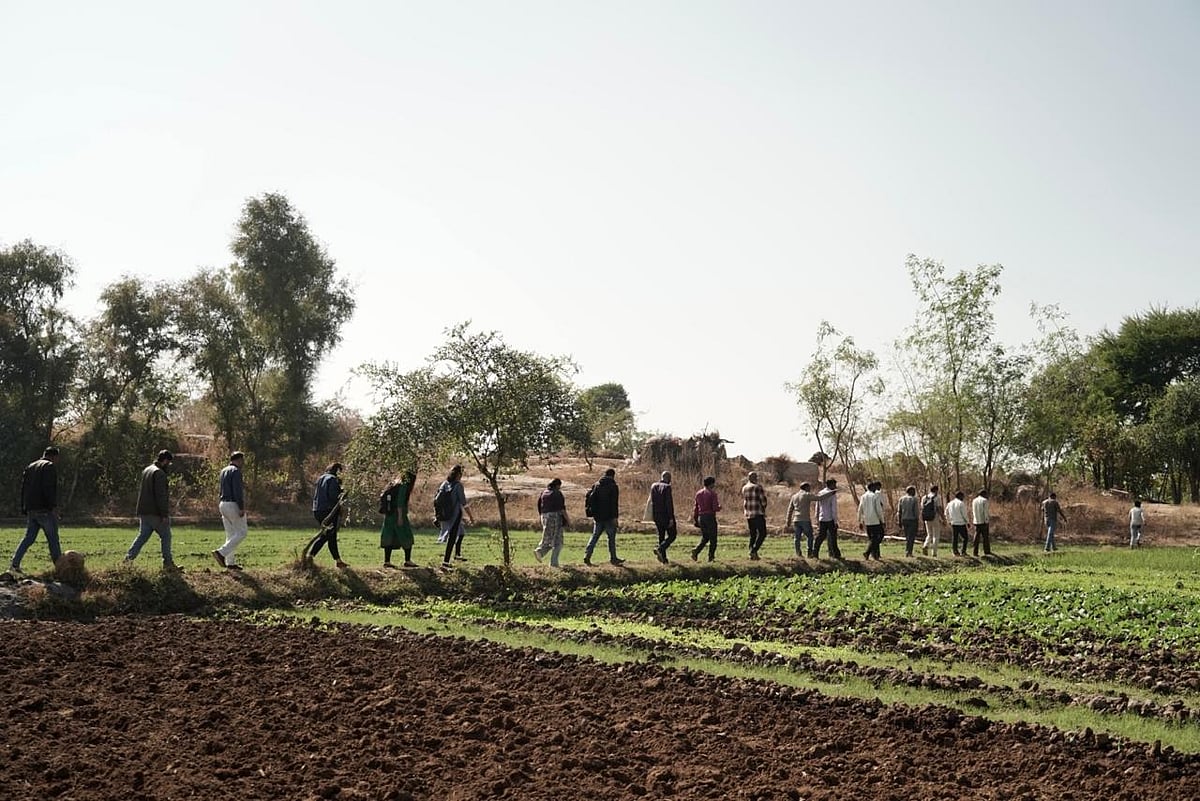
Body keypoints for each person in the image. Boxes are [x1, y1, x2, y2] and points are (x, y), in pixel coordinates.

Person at [9, 446, 63, 575]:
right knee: (53, 539)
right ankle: (60, 568)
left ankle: (14, 564)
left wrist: (25, 507)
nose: (57, 461)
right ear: (54, 456)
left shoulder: (31, 466)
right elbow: (48, 488)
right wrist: (53, 507)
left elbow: (23, 488)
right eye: (57, 458)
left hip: (31, 509)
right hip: (44, 509)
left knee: (28, 538)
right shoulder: (49, 466)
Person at [124, 449, 181, 572]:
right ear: (165, 461)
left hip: (144, 511)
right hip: (155, 512)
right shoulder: (159, 474)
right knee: (166, 536)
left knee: (142, 537)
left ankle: (127, 560)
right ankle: (168, 564)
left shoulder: (147, 470)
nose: (169, 465)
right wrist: (164, 514)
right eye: (169, 463)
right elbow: (161, 495)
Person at [307, 462, 347, 568]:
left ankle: (338, 561)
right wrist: (343, 493)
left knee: (329, 535)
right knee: (329, 535)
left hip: (318, 510)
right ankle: (310, 556)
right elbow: (334, 496)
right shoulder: (333, 480)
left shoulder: (321, 478)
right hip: (328, 511)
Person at [212, 451, 248, 571]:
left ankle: (230, 563)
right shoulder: (236, 472)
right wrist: (241, 507)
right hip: (233, 504)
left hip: (223, 503)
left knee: (231, 534)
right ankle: (221, 553)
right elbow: (237, 491)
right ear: (238, 460)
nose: (243, 462)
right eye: (242, 460)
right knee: (242, 532)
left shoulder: (224, 471)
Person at [438, 465, 475, 570]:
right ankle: (445, 562)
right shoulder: (458, 486)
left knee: (459, 533)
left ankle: (456, 555)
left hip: (445, 515)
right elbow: (464, 503)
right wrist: (471, 517)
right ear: (459, 475)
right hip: (455, 515)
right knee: (452, 538)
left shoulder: (444, 484)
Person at [583, 468, 623, 566]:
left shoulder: (596, 485)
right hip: (609, 516)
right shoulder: (613, 486)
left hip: (598, 516)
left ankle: (587, 555)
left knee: (595, 536)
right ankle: (613, 558)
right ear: (613, 475)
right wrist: (615, 517)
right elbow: (614, 504)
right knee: (611, 538)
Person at [380, 470, 417, 568]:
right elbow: (400, 503)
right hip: (398, 515)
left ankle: (387, 561)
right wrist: (400, 517)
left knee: (389, 537)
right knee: (407, 536)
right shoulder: (404, 486)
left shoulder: (394, 484)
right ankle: (407, 560)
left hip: (389, 515)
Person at [534, 478, 569, 567]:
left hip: (544, 517)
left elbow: (539, 506)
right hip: (555, 518)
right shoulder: (557, 493)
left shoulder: (544, 493)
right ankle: (553, 563)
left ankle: (540, 552)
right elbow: (562, 509)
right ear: (558, 485)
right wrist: (568, 520)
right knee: (558, 541)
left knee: (549, 538)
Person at [691, 475, 721, 562]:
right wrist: (720, 507)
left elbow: (696, 508)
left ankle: (696, 551)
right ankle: (711, 557)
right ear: (711, 484)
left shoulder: (698, 493)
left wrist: (696, 519)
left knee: (705, 537)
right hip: (710, 517)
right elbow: (715, 508)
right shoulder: (712, 494)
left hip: (701, 517)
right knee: (713, 539)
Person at [649, 471, 677, 564]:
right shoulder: (667, 487)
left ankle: (663, 559)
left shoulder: (653, 486)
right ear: (669, 479)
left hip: (656, 515)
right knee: (672, 535)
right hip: (665, 514)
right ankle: (660, 549)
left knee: (661, 536)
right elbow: (669, 503)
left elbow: (651, 502)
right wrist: (671, 518)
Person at [785, 482, 818, 558]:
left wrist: (788, 520)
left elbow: (790, 509)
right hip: (805, 519)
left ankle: (798, 553)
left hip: (796, 519)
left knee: (797, 538)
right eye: (809, 488)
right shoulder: (807, 495)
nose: (810, 489)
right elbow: (818, 498)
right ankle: (809, 553)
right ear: (806, 488)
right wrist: (829, 493)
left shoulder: (794, 496)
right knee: (810, 536)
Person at [742, 471, 768, 560]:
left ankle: (752, 553)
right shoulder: (757, 487)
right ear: (754, 478)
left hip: (748, 513)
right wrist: (764, 507)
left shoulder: (744, 488)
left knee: (753, 534)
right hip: (758, 513)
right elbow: (763, 501)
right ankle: (754, 550)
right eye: (756, 477)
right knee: (762, 533)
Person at [812, 478, 842, 559]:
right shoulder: (832, 494)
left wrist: (817, 517)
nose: (835, 486)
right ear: (831, 485)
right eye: (834, 485)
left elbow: (817, 507)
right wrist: (835, 521)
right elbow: (834, 509)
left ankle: (815, 552)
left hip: (822, 518)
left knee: (821, 536)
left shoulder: (820, 493)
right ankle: (835, 554)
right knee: (833, 537)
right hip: (830, 519)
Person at [857, 480, 886, 560]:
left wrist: (860, 521)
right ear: (872, 487)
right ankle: (867, 552)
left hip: (867, 521)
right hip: (875, 520)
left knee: (872, 538)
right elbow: (879, 510)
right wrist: (882, 521)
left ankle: (874, 555)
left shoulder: (863, 496)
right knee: (879, 536)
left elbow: (860, 509)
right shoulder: (875, 496)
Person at [920, 484, 945, 557]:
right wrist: (943, 519)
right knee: (936, 535)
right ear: (936, 490)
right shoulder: (937, 497)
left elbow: (922, 508)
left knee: (929, 534)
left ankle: (925, 545)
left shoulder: (924, 497)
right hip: (935, 518)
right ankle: (934, 552)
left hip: (926, 518)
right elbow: (939, 509)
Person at [897, 485, 920, 557]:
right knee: (911, 536)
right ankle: (909, 551)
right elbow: (916, 511)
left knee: (907, 536)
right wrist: (917, 519)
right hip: (912, 520)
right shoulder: (914, 499)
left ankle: (907, 551)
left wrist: (899, 521)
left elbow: (899, 511)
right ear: (911, 491)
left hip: (904, 519)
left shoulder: (901, 499)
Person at [946, 490, 969, 556]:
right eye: (962, 496)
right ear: (960, 496)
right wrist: (967, 522)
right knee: (965, 538)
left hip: (953, 523)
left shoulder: (950, 503)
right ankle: (963, 551)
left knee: (955, 538)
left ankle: (955, 551)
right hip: (961, 523)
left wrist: (949, 521)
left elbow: (946, 512)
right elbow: (964, 514)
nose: (963, 497)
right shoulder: (961, 503)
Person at [971, 490, 992, 556]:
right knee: (985, 537)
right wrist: (986, 521)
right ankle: (987, 551)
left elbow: (973, 510)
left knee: (976, 536)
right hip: (983, 521)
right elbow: (986, 512)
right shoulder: (985, 501)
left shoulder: (974, 500)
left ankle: (975, 551)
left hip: (976, 520)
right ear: (984, 494)